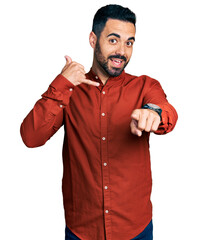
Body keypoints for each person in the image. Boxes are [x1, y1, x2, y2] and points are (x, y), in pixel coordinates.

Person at [20, 4, 178, 240]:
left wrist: (153, 113)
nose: (122, 51)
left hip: (135, 229)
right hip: (82, 230)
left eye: (129, 42)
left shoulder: (146, 86)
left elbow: (164, 109)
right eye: (113, 40)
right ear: (93, 39)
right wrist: (61, 83)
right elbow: (31, 137)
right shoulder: (69, 91)